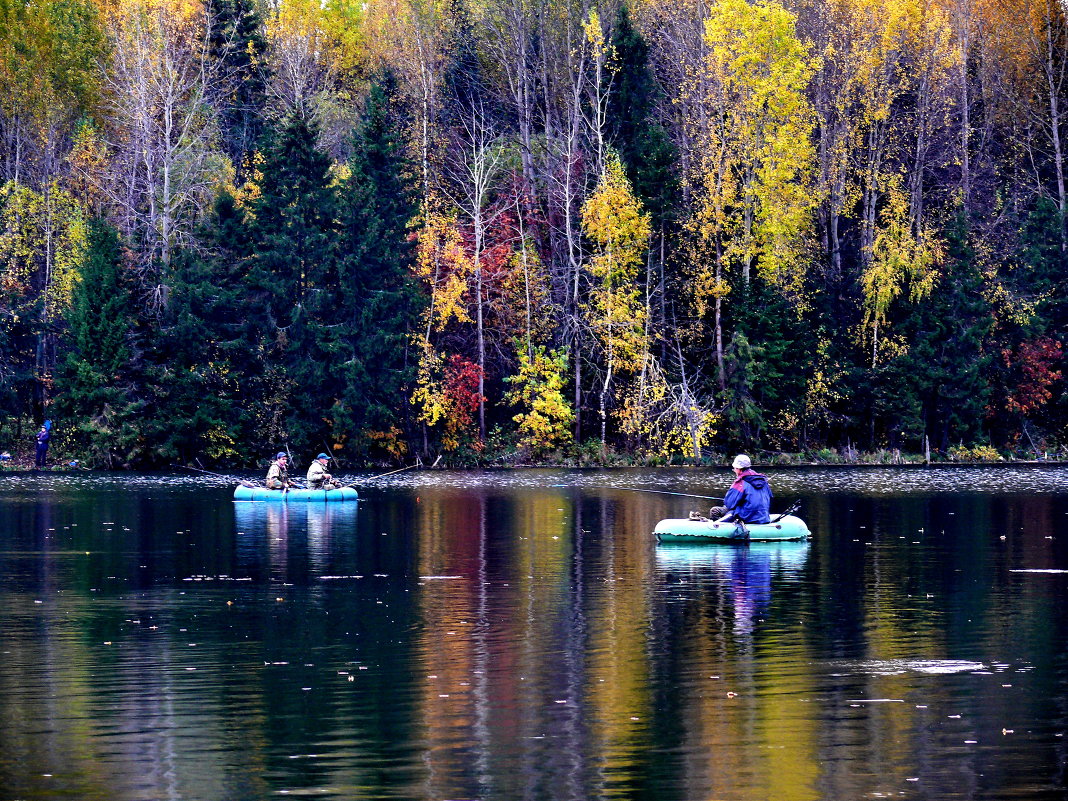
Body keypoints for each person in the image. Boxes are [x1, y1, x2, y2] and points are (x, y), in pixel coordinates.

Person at [696, 454, 773, 524]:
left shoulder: (740, 483)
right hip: (764, 517)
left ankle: (721, 530)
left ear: (739, 469)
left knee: (714, 511)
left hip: (746, 517)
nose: (734, 471)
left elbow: (729, 504)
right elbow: (770, 498)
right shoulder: (763, 481)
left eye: (734, 469)